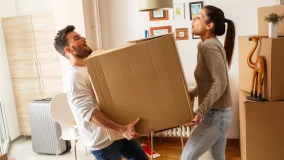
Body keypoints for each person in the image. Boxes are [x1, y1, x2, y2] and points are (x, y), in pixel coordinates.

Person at [54, 25, 148, 160]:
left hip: (117, 132)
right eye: (77, 38)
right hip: (103, 143)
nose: (84, 38)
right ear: (69, 50)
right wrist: (122, 129)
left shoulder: (91, 67)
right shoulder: (74, 77)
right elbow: (89, 113)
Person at [181, 5, 235, 160]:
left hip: (215, 116)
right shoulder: (205, 45)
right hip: (218, 115)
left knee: (186, 158)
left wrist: (200, 111)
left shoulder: (210, 46)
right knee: (218, 158)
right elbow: (209, 81)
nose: (193, 19)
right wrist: (193, 93)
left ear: (209, 26)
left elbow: (220, 82)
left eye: (198, 17)